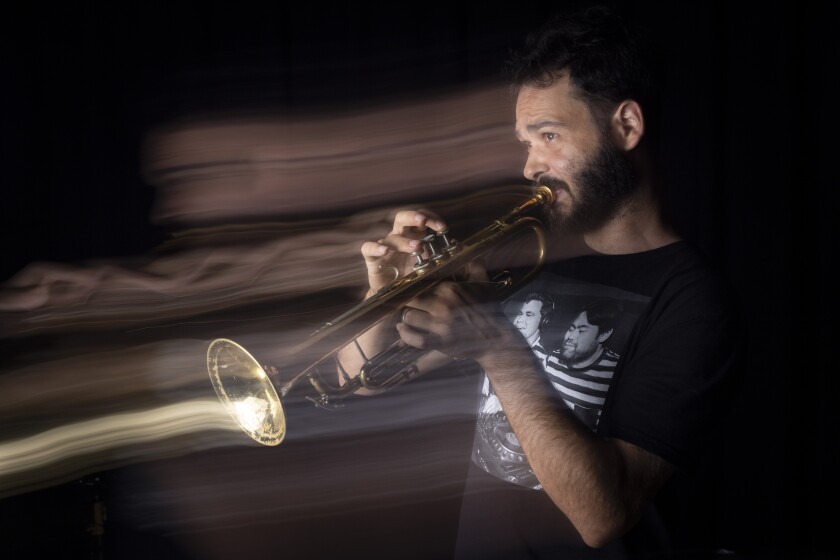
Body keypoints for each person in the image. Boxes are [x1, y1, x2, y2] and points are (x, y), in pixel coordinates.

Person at [348, 5, 741, 558]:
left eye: (549, 135)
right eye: (526, 142)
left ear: (627, 127)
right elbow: (363, 381)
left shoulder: (694, 300)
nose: (530, 166)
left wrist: (496, 347)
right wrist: (384, 296)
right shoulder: (529, 260)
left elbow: (602, 516)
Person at [545, 298, 621, 431]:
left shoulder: (617, 373)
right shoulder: (552, 359)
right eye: (571, 328)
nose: (570, 336)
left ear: (604, 335)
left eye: (581, 331)